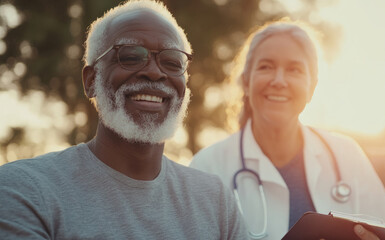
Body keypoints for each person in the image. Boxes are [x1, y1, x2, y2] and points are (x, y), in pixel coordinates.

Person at [0, 1, 248, 239]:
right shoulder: (25, 190)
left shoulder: (216, 201)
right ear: (90, 81)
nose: (154, 72)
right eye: (130, 57)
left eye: (172, 62)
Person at [190, 18, 385, 240]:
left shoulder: (347, 155)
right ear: (246, 81)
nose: (279, 80)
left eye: (294, 69)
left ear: (312, 87)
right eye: (266, 67)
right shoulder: (207, 167)